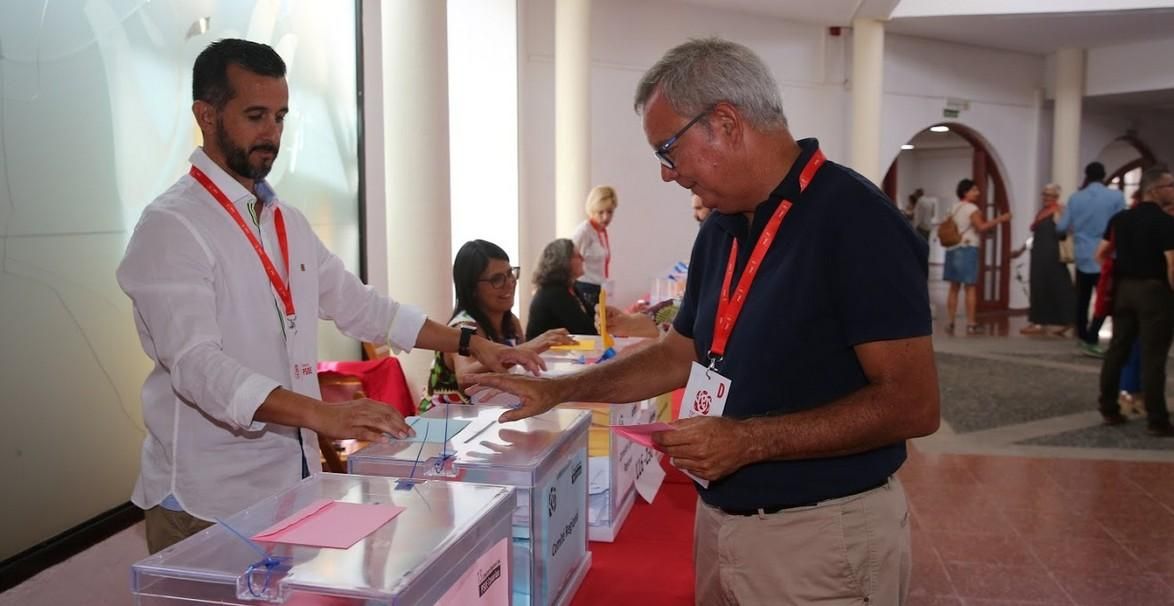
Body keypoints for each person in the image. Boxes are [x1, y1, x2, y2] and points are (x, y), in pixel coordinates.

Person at [471, 37, 940, 605]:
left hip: (820, 535)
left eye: (668, 151)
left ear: (725, 123)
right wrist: (557, 390)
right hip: (722, 519)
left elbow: (912, 403)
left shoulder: (856, 221)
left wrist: (747, 441)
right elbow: (678, 354)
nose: (668, 175)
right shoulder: (721, 227)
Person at [116, 39, 543, 553]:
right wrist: (324, 415)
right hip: (207, 502)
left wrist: (472, 344)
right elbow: (196, 366)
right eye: (255, 116)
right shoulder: (172, 225)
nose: (271, 134)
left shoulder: (283, 219)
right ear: (205, 115)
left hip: (290, 483)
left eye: (280, 117)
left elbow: (361, 307)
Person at [422, 240, 575, 410]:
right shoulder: (462, 327)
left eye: (510, 274)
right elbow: (465, 378)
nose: (510, 283)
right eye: (497, 279)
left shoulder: (511, 322)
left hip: (487, 417)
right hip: (445, 427)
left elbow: (518, 371)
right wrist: (522, 350)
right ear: (472, 288)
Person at [1095, 166, 1174, 436]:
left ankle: (1108, 408)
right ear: (1154, 190)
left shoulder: (1120, 219)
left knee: (1117, 350)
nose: (1173, 191)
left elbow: (1102, 253)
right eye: (1170, 186)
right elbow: (1172, 264)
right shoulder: (1165, 223)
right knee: (1154, 356)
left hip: (1124, 290)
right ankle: (1157, 420)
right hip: (1154, 292)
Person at [1056, 161, 1126, 356]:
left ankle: (1082, 334)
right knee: (1106, 298)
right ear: (1104, 176)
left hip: (1083, 254)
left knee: (1082, 297)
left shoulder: (1076, 198)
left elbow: (1061, 227)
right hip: (1107, 256)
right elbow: (1122, 223)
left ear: (1086, 176)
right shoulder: (1116, 197)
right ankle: (1094, 335)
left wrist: (1069, 233)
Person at [526, 238, 657, 340]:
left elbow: (594, 322)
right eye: (577, 256)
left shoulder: (571, 288)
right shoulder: (554, 293)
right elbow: (588, 330)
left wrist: (626, 317)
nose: (583, 259)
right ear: (564, 262)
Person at [943, 179, 1012, 335]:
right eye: (974, 190)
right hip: (967, 249)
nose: (977, 193)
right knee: (970, 287)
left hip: (952, 249)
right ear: (965, 192)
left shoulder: (953, 208)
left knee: (953, 288)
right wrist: (1000, 219)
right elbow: (981, 227)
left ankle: (951, 322)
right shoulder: (971, 208)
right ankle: (971, 323)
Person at [1014, 184, 1075, 336]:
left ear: (1056, 197)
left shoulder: (1059, 211)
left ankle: (1065, 320)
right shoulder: (1043, 212)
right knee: (1039, 287)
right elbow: (1036, 236)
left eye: (1050, 195)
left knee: (1058, 286)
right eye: (1045, 194)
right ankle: (1040, 321)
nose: (1046, 197)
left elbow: (1067, 230)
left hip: (1051, 255)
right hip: (1040, 253)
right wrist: (1021, 249)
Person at [571, 185, 618, 307]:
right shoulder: (583, 231)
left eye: (610, 212)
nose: (606, 217)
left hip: (600, 287)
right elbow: (567, 258)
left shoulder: (601, 231)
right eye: (600, 212)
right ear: (592, 210)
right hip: (585, 288)